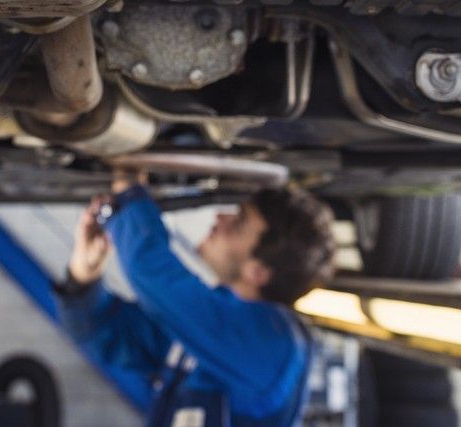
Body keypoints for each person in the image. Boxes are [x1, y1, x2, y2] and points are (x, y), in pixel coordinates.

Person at [55, 174, 335, 427]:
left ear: (257, 272)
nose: (220, 218)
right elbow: (109, 336)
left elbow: (153, 274)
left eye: (237, 225)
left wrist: (129, 193)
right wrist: (84, 273)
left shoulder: (274, 344)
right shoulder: (209, 338)